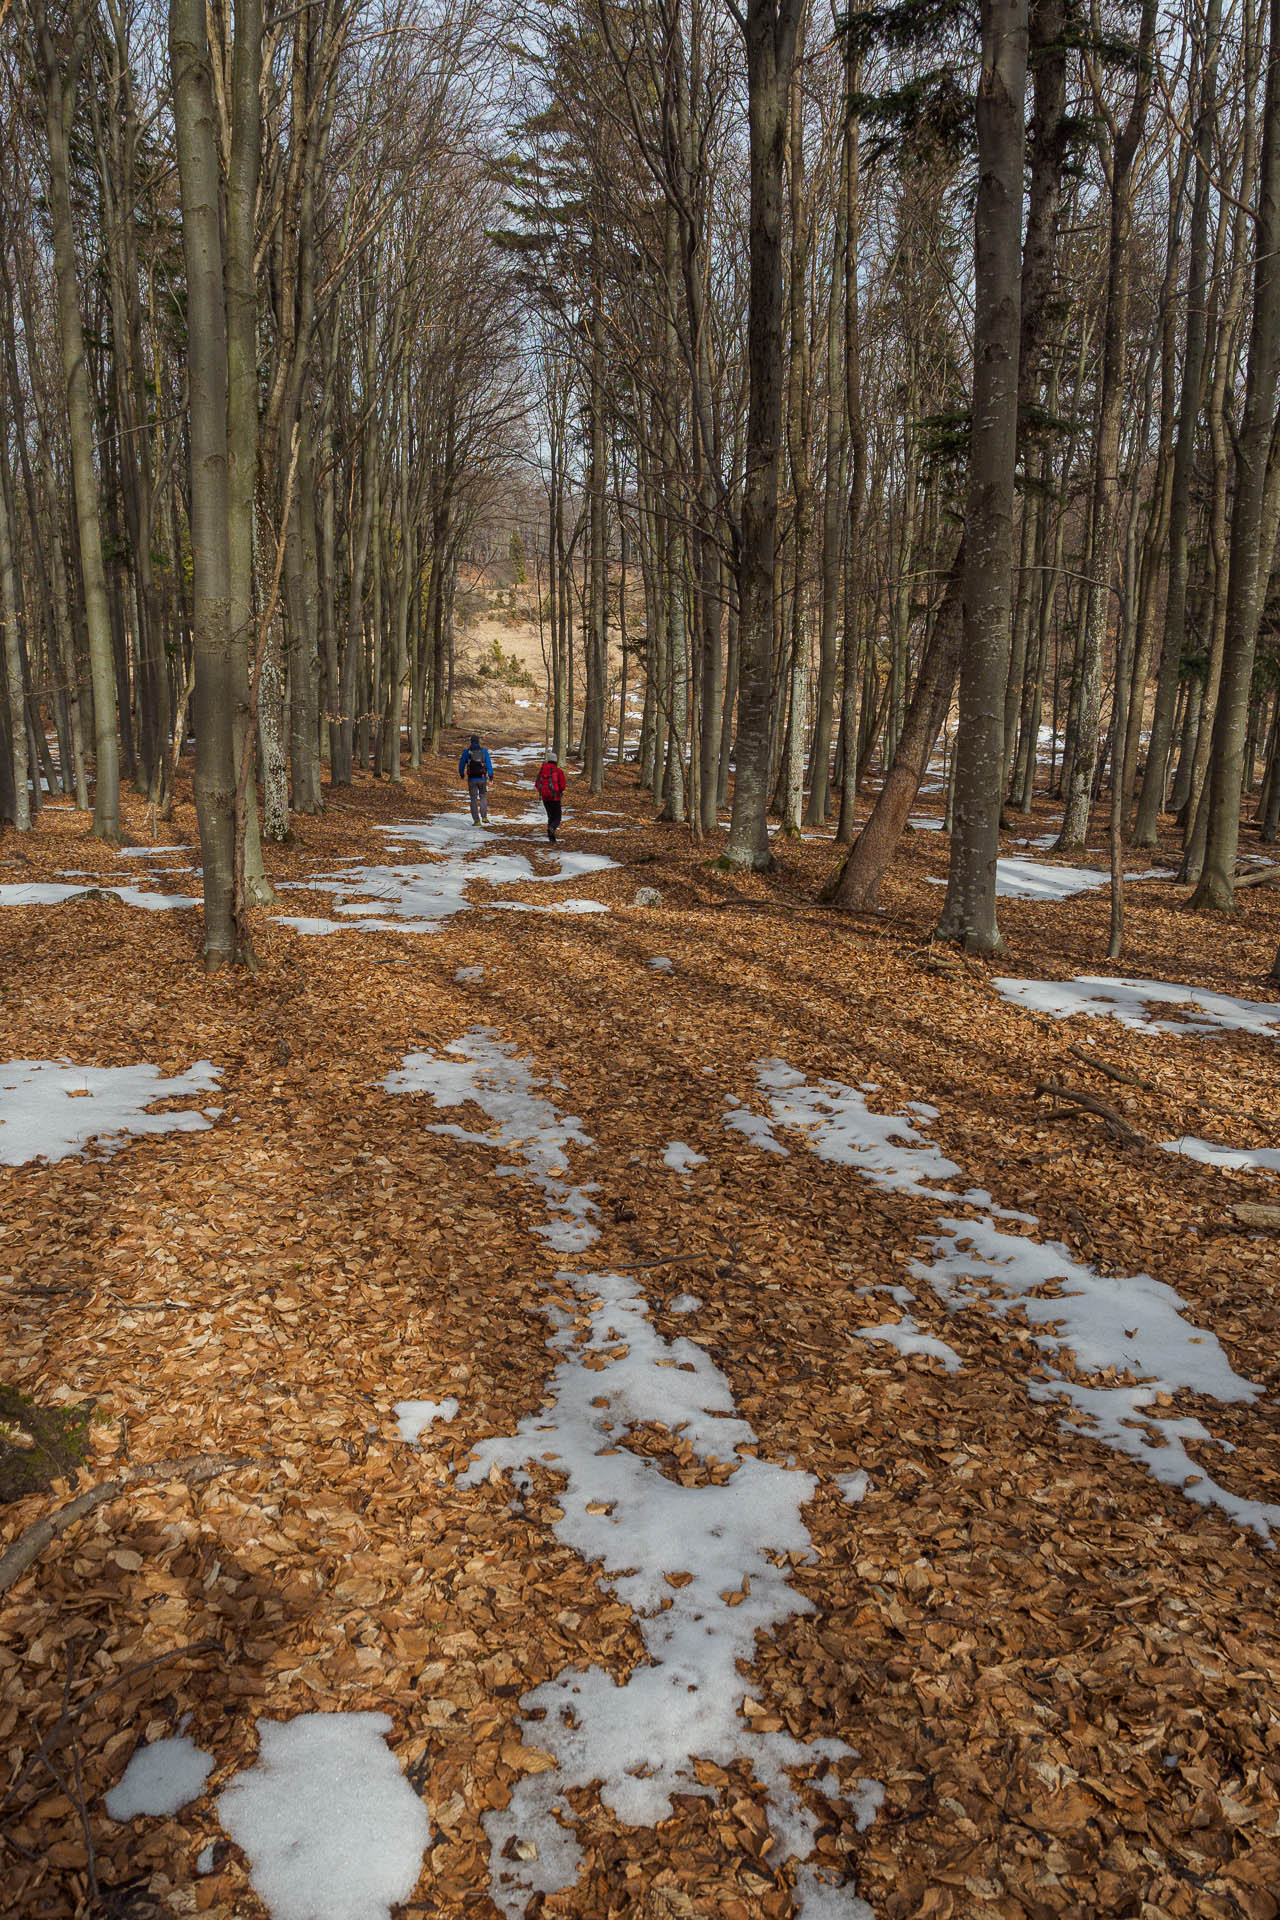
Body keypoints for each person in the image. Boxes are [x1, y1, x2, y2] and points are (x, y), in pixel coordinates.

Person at [458, 734, 494, 823]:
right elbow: (489, 764)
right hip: (482, 779)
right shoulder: (484, 751)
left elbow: (461, 764)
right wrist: (491, 777)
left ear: (471, 741)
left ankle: (476, 821)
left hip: (472, 779)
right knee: (483, 796)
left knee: (473, 798)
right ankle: (484, 817)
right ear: (478, 742)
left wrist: (461, 774)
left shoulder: (467, 752)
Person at [535, 751, 567, 843]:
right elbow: (563, 786)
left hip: (545, 798)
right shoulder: (558, 771)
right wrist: (559, 791)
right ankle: (552, 828)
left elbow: (537, 784)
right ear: (555, 761)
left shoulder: (542, 771)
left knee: (550, 817)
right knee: (557, 817)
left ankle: (551, 839)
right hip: (555, 797)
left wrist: (543, 792)